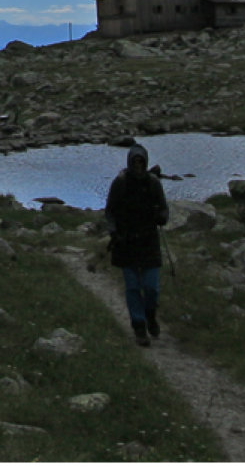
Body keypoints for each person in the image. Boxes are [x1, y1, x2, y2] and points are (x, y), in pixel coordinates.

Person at [104, 141, 169, 346]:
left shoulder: (153, 183)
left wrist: (161, 217)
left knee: (151, 287)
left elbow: (164, 208)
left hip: (149, 240)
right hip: (126, 241)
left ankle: (150, 314)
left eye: (141, 162)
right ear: (130, 163)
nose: (138, 166)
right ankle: (139, 326)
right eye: (135, 163)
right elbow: (110, 211)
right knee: (132, 287)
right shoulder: (120, 183)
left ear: (146, 162)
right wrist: (113, 232)